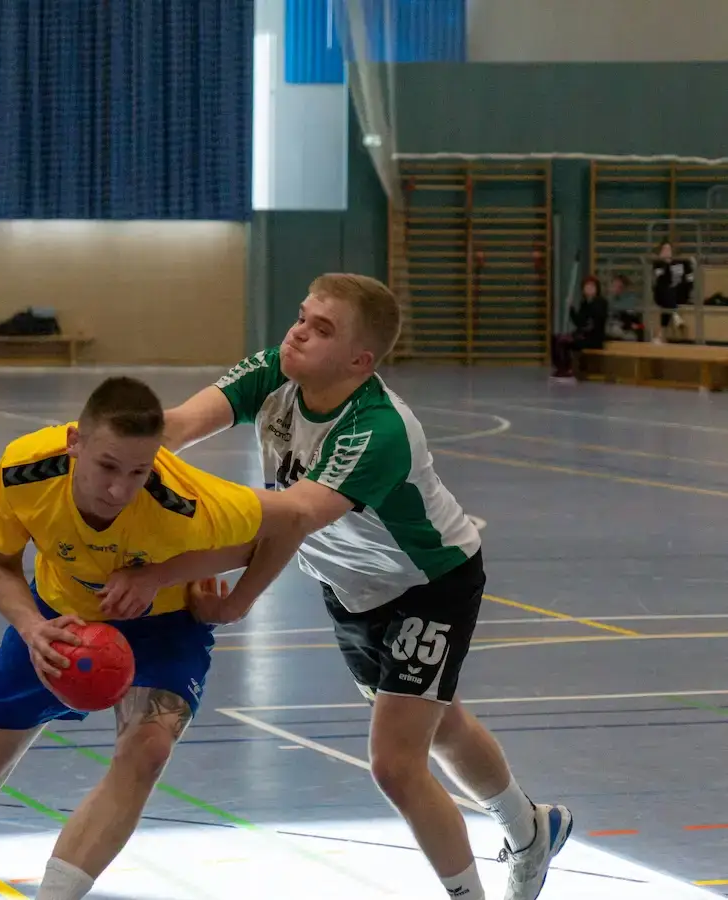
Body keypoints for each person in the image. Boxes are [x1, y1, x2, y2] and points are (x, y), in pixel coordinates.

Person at [105, 274, 572, 900]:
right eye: (302, 316)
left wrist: (174, 568)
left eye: (321, 329)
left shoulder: (377, 429)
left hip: (428, 583)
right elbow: (179, 426)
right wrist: (104, 447)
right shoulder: (275, 372)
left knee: (396, 763)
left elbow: (291, 516)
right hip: (350, 585)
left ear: (360, 361)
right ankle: (530, 828)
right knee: (439, 722)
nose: (298, 332)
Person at [0, 376, 316, 900]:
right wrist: (31, 627)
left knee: (147, 752)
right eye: (107, 467)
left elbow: (292, 519)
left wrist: (197, 590)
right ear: (75, 442)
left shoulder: (185, 500)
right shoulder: (24, 470)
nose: (120, 489)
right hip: (58, 619)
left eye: (139, 471)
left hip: (163, 625)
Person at [550, 275, 608, 378]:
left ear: (597, 289)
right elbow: (579, 322)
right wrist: (571, 308)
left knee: (565, 341)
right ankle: (561, 368)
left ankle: (567, 369)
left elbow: (596, 320)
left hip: (593, 338)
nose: (589, 288)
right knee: (556, 338)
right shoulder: (584, 303)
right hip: (582, 335)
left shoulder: (601, 302)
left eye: (592, 286)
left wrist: (590, 302)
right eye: (587, 286)